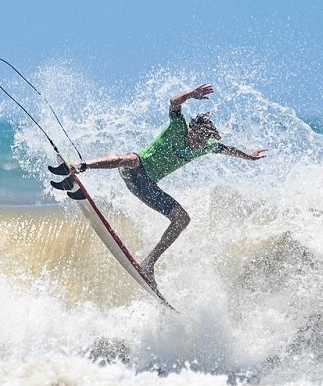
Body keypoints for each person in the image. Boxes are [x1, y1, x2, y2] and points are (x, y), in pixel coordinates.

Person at [49, 83, 268, 286]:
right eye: (196, 136)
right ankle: (79, 166)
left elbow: (225, 148)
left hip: (146, 187)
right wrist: (190, 94)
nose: (197, 142)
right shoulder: (177, 127)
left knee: (182, 219)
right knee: (131, 159)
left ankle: (148, 264)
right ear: (191, 129)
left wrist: (249, 156)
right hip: (134, 170)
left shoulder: (206, 146)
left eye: (202, 140)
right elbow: (174, 102)